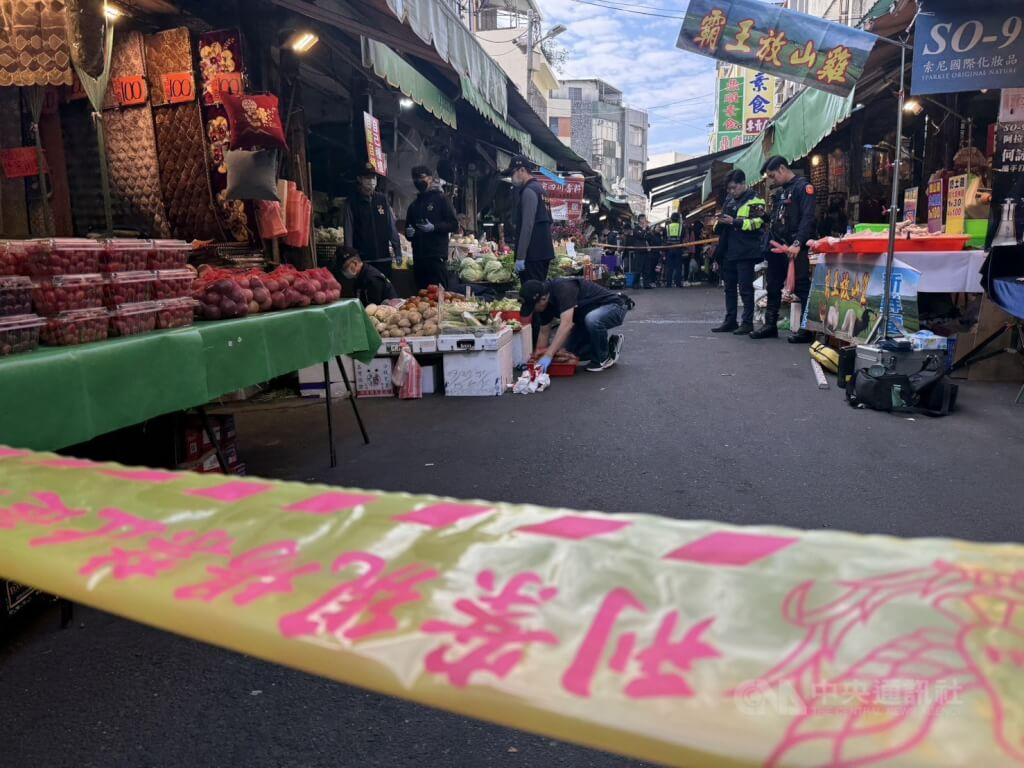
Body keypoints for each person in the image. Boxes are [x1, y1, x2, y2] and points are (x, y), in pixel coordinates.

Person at [750, 155, 816, 342]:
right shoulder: (781, 192)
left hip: (794, 247)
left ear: (781, 168)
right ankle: (770, 325)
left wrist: (798, 243)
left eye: (773, 175)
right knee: (773, 286)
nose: (772, 180)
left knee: (801, 286)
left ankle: (807, 329)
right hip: (777, 247)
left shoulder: (803, 187)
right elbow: (778, 219)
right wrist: (764, 215)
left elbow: (808, 218)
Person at [520, 277, 629, 373]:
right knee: (566, 352)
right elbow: (544, 332)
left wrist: (548, 355)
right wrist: (537, 359)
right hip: (585, 319)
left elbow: (566, 325)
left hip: (614, 307)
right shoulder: (544, 304)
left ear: (543, 299)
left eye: (533, 306)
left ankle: (604, 357)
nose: (533, 311)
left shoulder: (563, 288)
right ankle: (610, 346)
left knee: (592, 319)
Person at [712, 170, 765, 335]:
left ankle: (747, 323)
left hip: (746, 251)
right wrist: (719, 222)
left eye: (734, 188)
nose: (731, 191)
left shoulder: (755, 200)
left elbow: (758, 223)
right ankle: (730, 320)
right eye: (729, 189)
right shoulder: (729, 200)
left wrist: (734, 222)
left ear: (743, 183)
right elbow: (721, 226)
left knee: (745, 288)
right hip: (728, 250)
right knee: (729, 288)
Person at [404, 165, 459, 290]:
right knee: (422, 296)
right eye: (415, 179)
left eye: (422, 177)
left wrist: (434, 227)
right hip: (419, 259)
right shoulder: (413, 206)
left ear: (430, 178)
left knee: (440, 294)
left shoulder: (441, 199)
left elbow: (454, 224)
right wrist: (409, 233)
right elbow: (408, 230)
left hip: (436, 258)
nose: (419, 181)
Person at [343, 163, 402, 279]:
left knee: (385, 289)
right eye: (367, 178)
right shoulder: (352, 202)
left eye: (373, 177)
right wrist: (351, 257)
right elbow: (348, 232)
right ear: (359, 179)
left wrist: (397, 250)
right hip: (363, 261)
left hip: (384, 258)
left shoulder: (382, 199)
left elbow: (391, 227)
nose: (371, 181)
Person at [503, 155, 555, 282]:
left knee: (531, 292)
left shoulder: (529, 191)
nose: (511, 178)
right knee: (539, 290)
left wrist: (520, 257)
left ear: (522, 170)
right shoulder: (541, 190)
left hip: (532, 256)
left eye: (512, 173)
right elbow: (549, 222)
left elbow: (527, 225)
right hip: (543, 253)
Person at [626, 218, 652, 289]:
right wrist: (644, 229)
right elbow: (640, 236)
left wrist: (647, 232)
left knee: (646, 268)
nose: (645, 221)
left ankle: (646, 284)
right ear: (640, 220)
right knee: (638, 269)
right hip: (639, 251)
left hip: (646, 251)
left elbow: (649, 237)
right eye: (644, 219)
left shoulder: (647, 229)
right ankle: (635, 284)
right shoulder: (636, 229)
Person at [664, 212, 685, 288]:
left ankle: (668, 283)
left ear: (671, 219)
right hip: (678, 249)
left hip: (669, 249)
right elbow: (683, 236)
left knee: (669, 267)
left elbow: (665, 237)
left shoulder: (667, 227)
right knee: (678, 267)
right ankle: (678, 283)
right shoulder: (681, 227)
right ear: (678, 219)